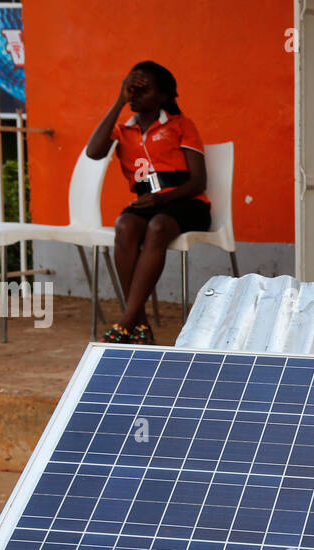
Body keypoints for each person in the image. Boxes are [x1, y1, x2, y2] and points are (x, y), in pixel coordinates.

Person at [86, 61, 210, 345]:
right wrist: (119, 100)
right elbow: (93, 152)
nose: (136, 96)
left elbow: (198, 181)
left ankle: (127, 321)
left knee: (157, 227)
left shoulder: (181, 125)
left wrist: (162, 197)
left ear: (164, 96)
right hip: (148, 203)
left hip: (186, 202)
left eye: (144, 90)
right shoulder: (123, 130)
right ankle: (141, 326)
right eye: (132, 90)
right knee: (125, 224)